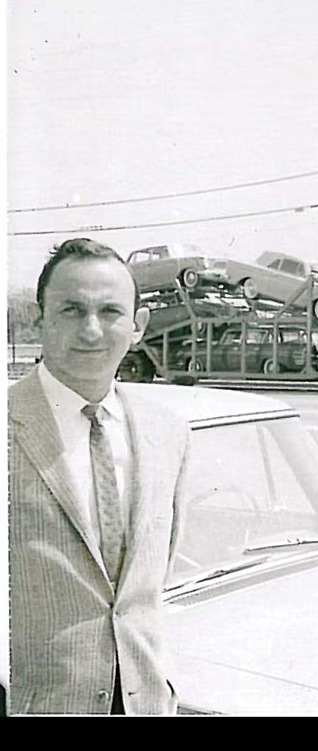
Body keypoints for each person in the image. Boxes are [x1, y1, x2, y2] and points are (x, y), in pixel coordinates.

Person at [8, 238, 189, 715]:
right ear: (38, 316)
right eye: (71, 309)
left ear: (137, 327)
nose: (91, 330)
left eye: (110, 311)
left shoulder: (167, 432)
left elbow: (151, 581)